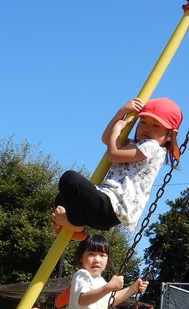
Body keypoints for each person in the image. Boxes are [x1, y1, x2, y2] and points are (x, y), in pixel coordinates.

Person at [53, 97, 182, 241]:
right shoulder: (137, 145)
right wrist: (121, 112)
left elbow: (113, 155)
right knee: (62, 196)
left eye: (156, 126)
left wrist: (117, 129)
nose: (146, 128)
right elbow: (107, 139)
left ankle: (75, 224)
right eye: (143, 122)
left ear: (171, 135)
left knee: (70, 178)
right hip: (106, 208)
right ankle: (74, 228)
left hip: (113, 206)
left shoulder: (152, 147)